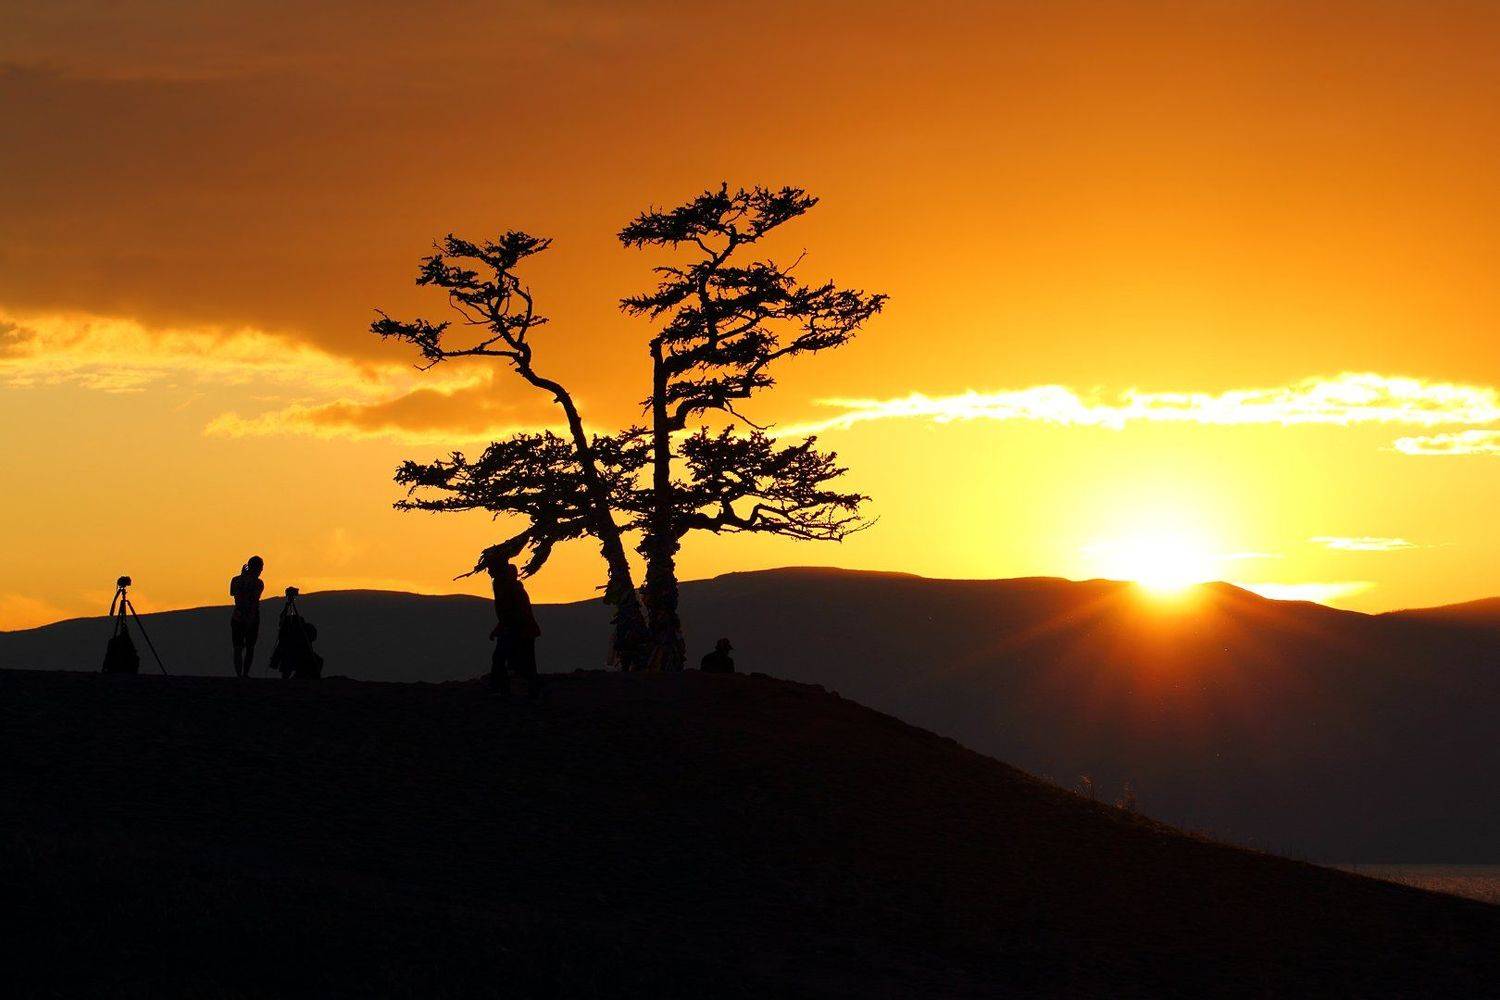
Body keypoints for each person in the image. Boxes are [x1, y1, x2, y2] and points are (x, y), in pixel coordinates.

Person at [488, 556, 542, 698]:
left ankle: (510, 692)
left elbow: (513, 613)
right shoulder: (507, 586)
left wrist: (503, 629)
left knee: (512, 661)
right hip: (519, 630)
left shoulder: (508, 588)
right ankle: (519, 692)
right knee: (518, 662)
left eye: (491, 569)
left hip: (519, 631)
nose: (489, 572)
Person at [229, 555, 265, 678]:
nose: (261, 571)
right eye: (260, 568)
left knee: (248, 647)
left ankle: (243, 674)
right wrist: (244, 579)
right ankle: (241, 674)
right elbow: (235, 593)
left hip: (247, 617)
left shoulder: (258, 583)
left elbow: (252, 596)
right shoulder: (238, 580)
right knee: (240, 647)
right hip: (242, 616)